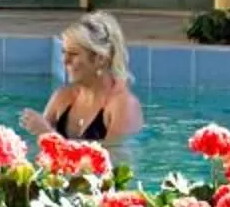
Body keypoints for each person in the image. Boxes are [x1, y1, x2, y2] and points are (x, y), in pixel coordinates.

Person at [21, 11, 145, 151]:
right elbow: (37, 152)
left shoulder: (123, 106)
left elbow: (114, 163)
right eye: (64, 52)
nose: (65, 60)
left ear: (100, 59)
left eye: (73, 54)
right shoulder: (63, 98)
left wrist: (48, 135)